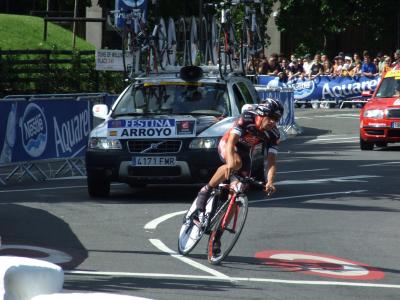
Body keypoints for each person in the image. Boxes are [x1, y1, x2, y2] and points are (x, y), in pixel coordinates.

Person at [194, 98, 284, 256]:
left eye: (276, 120)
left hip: (245, 153)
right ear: (261, 115)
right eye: (271, 118)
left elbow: (271, 162)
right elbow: (231, 142)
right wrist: (229, 163)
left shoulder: (273, 133)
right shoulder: (247, 118)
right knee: (235, 163)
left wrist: (270, 181)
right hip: (228, 144)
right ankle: (206, 189)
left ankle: (217, 236)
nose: (273, 122)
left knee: (238, 192)